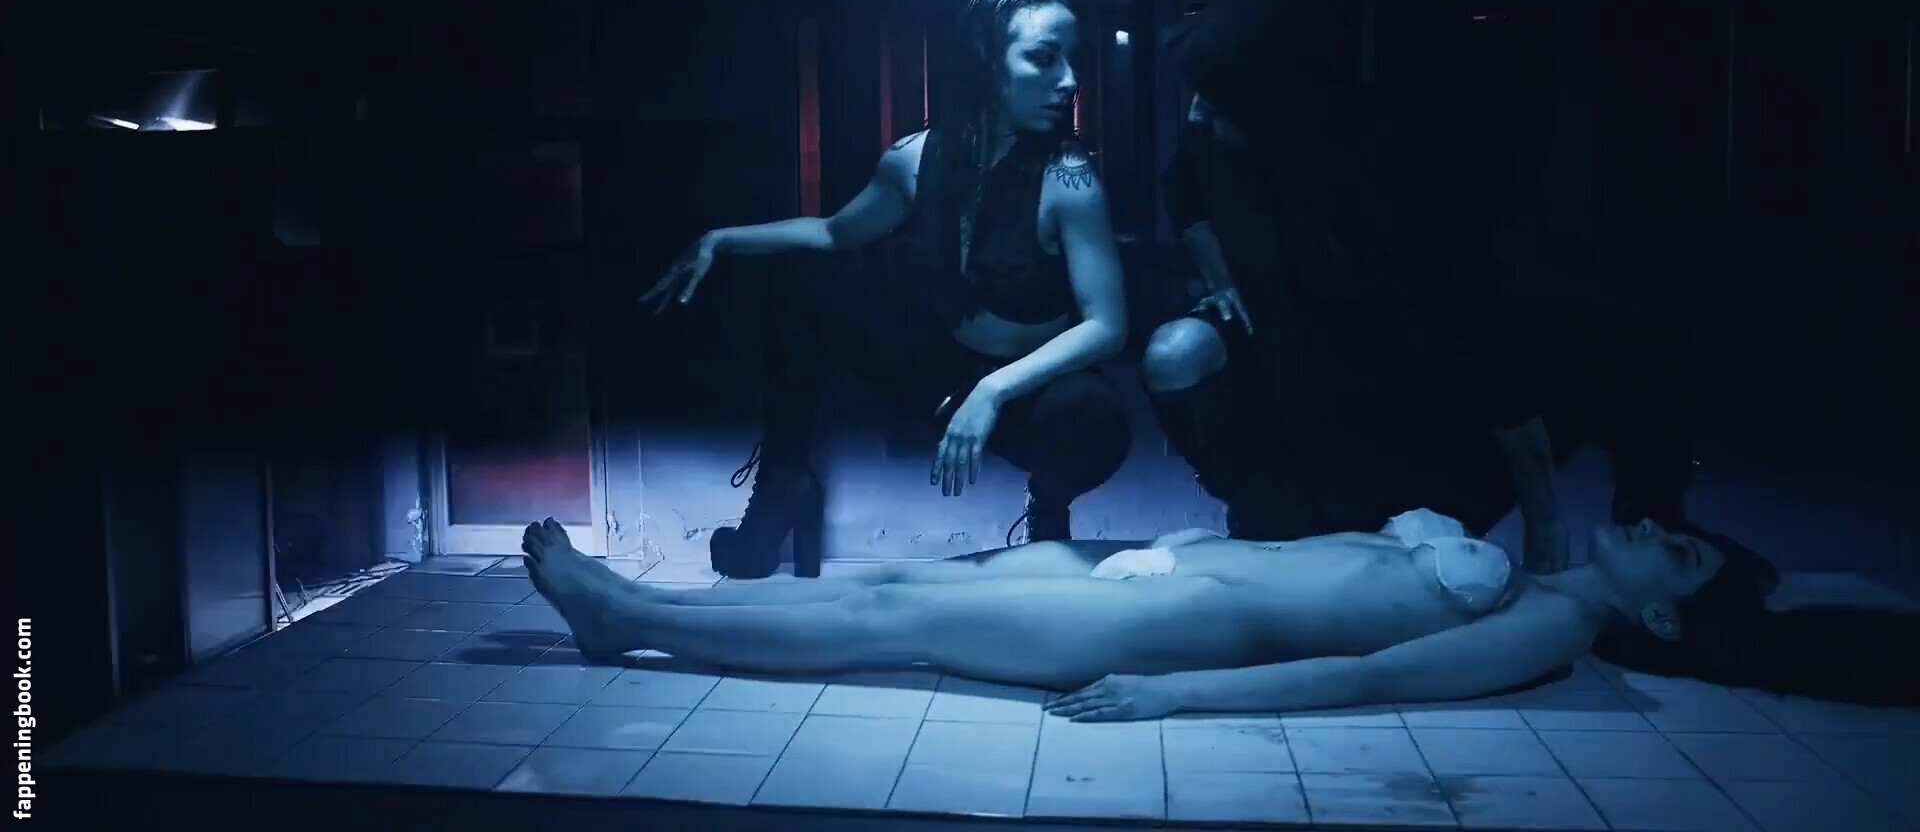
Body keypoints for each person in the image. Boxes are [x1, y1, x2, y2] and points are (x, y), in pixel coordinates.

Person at [1141, 0, 1777, 586]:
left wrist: (1544, 520)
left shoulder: (1379, 178)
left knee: (1641, 355)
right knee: (1180, 352)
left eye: (1212, 96)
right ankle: (1271, 514)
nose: (1195, 111)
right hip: (1306, 428)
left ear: (1265, 96)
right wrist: (1224, 275)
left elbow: (1483, 346)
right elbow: (1182, 188)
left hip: (1413, 413)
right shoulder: (1217, 145)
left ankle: (1659, 524)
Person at [639, 0, 1132, 580]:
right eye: (1044, 58)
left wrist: (993, 391)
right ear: (986, 60)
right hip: (937, 372)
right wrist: (721, 238)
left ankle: (1048, 509)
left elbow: (1108, 326)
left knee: (1096, 417)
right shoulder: (913, 159)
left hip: (1023, 394)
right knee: (803, 274)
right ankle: (783, 486)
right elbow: (833, 234)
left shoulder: (1070, 179)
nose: (1070, 80)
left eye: (1071, 59)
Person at [519, 508, 1737, 720]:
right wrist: (1168, 549)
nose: (1653, 527)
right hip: (1169, 576)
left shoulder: (1554, 628)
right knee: (919, 584)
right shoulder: (1528, 570)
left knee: (899, 612)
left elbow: (1375, 679)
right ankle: (640, 604)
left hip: (1178, 633)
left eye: (1677, 555)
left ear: (1665, 621)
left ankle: (626, 616)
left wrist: (1176, 695)